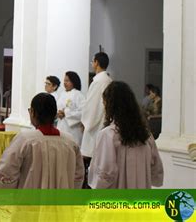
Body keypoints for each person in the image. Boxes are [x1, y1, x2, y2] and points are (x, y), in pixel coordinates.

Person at [0, 93, 84, 189]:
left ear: (33, 112)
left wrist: (11, 194)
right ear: (55, 115)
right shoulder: (70, 141)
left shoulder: (25, 140)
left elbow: (6, 172)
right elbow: (78, 175)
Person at [88, 81, 164, 188]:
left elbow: (105, 172)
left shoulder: (108, 135)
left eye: (104, 102)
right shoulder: (146, 135)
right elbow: (156, 168)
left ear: (110, 105)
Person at [80, 52, 112, 188]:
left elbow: (91, 106)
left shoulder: (98, 81)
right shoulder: (109, 80)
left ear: (96, 63)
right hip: (105, 123)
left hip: (95, 127)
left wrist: (85, 122)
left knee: (92, 161)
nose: (92, 64)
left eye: (92, 61)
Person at [56, 71, 85, 146]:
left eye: (67, 81)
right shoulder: (62, 94)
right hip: (61, 126)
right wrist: (58, 113)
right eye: (64, 81)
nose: (65, 83)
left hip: (73, 130)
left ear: (74, 81)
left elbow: (83, 113)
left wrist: (66, 113)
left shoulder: (79, 95)